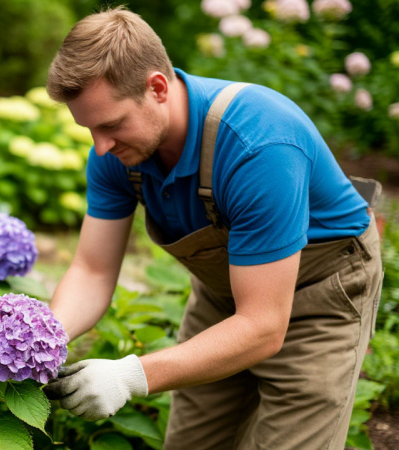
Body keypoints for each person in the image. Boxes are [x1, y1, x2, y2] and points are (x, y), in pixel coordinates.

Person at [42, 6, 384, 449]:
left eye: (110, 125)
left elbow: (262, 324)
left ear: (157, 88)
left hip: (321, 293)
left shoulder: (258, 146)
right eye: (89, 129)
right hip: (226, 293)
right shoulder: (117, 155)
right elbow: (91, 270)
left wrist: (131, 375)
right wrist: (40, 341)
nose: (100, 146)